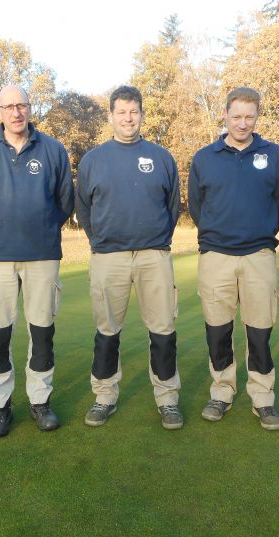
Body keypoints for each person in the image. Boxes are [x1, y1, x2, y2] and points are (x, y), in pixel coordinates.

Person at [0, 85, 74, 438]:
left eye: (22, 105)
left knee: (42, 333)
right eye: (9, 106)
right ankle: (0, 407)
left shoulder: (53, 150)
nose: (16, 112)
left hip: (42, 255)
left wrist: (41, 228)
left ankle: (40, 402)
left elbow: (64, 201)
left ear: (30, 108)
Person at [76, 85, 183, 430]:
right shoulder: (93, 160)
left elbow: (173, 207)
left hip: (154, 256)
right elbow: (83, 208)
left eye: (133, 111)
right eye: (121, 112)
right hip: (109, 257)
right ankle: (104, 396)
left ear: (142, 114)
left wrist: (156, 242)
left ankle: (168, 399)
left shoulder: (161, 157)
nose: (128, 117)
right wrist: (101, 242)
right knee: (107, 332)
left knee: (163, 330)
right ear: (110, 116)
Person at [188, 87, 279, 430]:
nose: (242, 123)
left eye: (249, 116)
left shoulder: (273, 155)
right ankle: (221, 392)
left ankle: (263, 398)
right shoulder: (205, 157)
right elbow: (197, 206)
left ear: (257, 117)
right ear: (226, 115)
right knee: (218, 330)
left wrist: (259, 232)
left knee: (259, 330)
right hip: (216, 255)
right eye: (236, 116)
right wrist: (219, 234)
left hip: (258, 255)